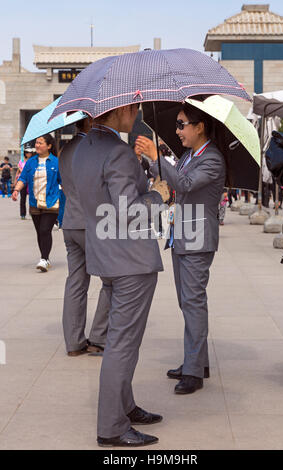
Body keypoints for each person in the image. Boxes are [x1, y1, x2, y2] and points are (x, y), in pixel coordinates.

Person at [72, 104, 170, 447]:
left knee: (121, 340)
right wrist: (158, 194)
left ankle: (124, 406)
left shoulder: (83, 147)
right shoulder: (118, 152)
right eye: (136, 107)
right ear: (123, 109)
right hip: (130, 261)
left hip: (105, 256)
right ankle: (112, 426)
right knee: (122, 345)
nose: (138, 112)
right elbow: (128, 212)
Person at [135, 102, 226, 395]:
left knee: (193, 303)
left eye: (181, 124)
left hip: (197, 239)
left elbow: (184, 184)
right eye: (176, 124)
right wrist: (153, 161)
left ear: (199, 127)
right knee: (188, 302)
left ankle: (194, 372)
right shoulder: (189, 155)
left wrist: (155, 156)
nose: (177, 131)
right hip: (182, 235)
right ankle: (197, 362)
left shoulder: (211, 158)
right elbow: (174, 182)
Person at [59, 118, 110, 357]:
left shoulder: (66, 149)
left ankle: (73, 342)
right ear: (90, 120)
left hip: (70, 221)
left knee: (76, 283)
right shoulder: (93, 147)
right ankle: (99, 336)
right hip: (92, 222)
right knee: (112, 280)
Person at [12, 134, 61, 272]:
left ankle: (44, 259)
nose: (37, 145)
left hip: (51, 202)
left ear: (49, 146)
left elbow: (63, 181)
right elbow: (23, 178)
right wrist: (16, 190)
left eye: (40, 143)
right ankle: (45, 257)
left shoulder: (56, 162)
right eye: (36, 143)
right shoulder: (31, 162)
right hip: (34, 202)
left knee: (45, 230)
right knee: (40, 232)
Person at [14, 148, 34, 219]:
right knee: (23, 198)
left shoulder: (33, 161)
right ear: (25, 153)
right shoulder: (21, 161)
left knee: (32, 198)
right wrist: (15, 182)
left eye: (30, 152)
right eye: (28, 152)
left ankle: (32, 212)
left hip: (31, 181)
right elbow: (19, 171)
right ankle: (23, 214)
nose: (29, 154)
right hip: (23, 181)